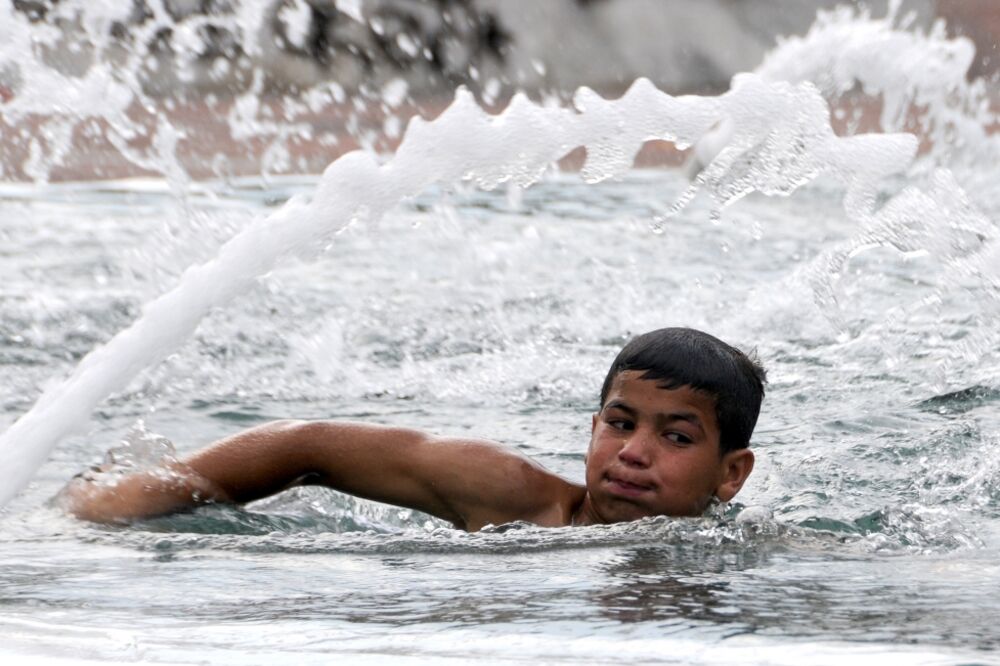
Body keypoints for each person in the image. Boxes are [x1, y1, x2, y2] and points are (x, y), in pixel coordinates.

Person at [62, 327, 766, 531]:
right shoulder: (512, 497)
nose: (633, 453)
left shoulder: (744, 557)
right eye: (619, 424)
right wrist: (138, 495)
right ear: (592, 428)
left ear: (730, 474)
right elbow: (307, 445)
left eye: (676, 437)